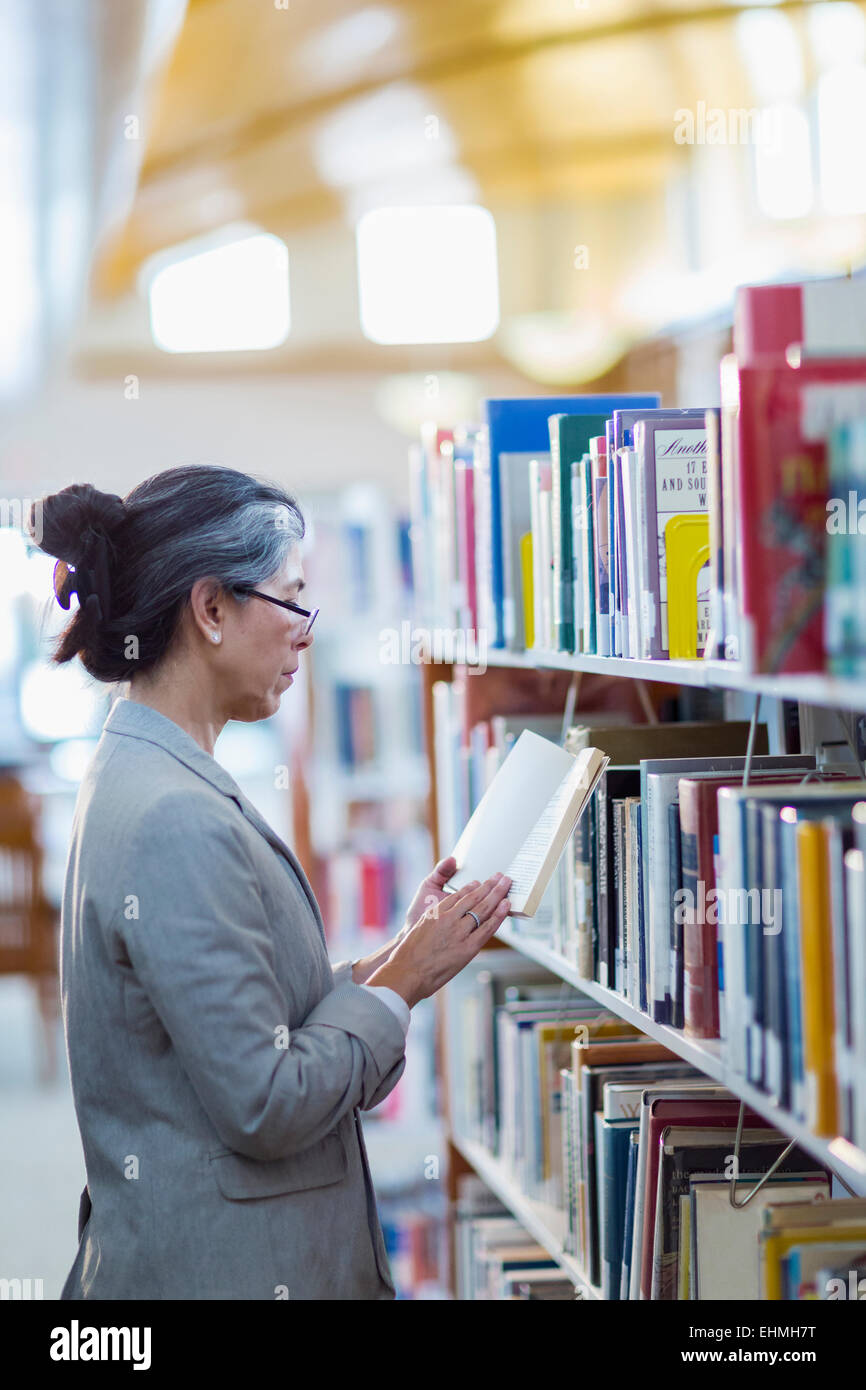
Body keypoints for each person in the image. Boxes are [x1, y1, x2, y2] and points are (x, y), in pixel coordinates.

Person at [29, 465, 512, 1300]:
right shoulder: (173, 815)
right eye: (291, 601)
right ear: (211, 609)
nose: (305, 633)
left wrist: (400, 955)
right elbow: (266, 1100)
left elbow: (237, 1018)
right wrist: (400, 986)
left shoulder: (144, 767)